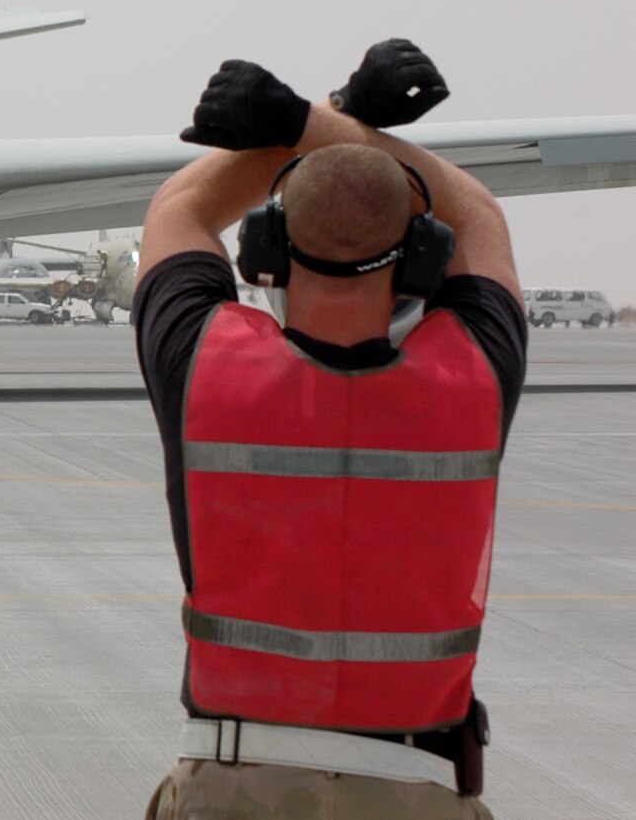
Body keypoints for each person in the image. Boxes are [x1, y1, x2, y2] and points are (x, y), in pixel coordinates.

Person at [135, 40, 525, 819]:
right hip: (417, 787)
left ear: (267, 252)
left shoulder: (206, 366)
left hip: (230, 780)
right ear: (421, 256)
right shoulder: (473, 377)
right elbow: (476, 209)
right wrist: (326, 121)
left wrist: (311, 119)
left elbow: (180, 209)